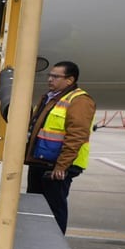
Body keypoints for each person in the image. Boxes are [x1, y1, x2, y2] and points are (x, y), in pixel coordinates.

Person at [25, 61, 94, 233]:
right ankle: (36, 239)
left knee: (53, 208)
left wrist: (62, 165)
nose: (49, 79)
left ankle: (53, 244)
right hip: (41, 161)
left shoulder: (79, 101)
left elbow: (77, 135)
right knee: (34, 205)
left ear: (70, 80)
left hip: (58, 165)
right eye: (49, 75)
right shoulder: (50, 97)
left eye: (55, 76)